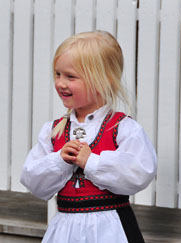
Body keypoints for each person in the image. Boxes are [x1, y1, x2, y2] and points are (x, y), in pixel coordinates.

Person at [20, 31, 157, 243]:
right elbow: (33, 180)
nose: (60, 83)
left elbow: (140, 172)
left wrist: (92, 162)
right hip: (65, 229)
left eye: (70, 76)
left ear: (103, 80)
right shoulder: (53, 131)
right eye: (57, 74)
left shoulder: (123, 128)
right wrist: (59, 160)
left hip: (110, 229)